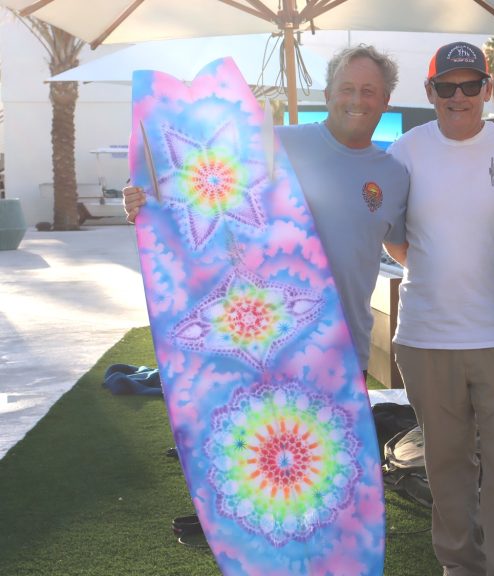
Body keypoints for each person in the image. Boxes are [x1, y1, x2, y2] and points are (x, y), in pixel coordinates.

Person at [124, 45, 409, 376]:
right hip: (265, 344)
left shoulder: (394, 175)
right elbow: (190, 170)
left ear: (386, 100)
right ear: (329, 94)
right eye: (347, 89)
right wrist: (140, 197)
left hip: (344, 352)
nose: (357, 100)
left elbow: (401, 250)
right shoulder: (275, 145)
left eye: (369, 91)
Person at [383, 41, 494, 576]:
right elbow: (393, 236)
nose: (459, 96)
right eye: (446, 87)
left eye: (470, 85)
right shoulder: (405, 151)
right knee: (447, 468)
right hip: (428, 338)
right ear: (429, 92)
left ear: (487, 89)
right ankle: (460, 567)